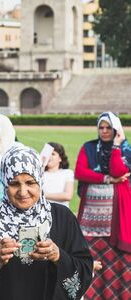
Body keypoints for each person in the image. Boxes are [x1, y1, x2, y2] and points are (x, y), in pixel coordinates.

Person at [0, 145, 93, 300]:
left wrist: (58, 255)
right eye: (14, 184)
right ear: (4, 183)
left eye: (30, 182)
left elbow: (85, 267)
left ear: (40, 180)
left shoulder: (62, 217)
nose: (23, 192)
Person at [75, 112, 131, 299]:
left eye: (109, 127)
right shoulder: (89, 147)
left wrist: (116, 146)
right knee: (90, 257)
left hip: (115, 218)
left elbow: (118, 169)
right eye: (101, 127)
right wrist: (107, 179)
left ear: (116, 129)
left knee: (117, 260)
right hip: (90, 220)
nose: (105, 131)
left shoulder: (125, 150)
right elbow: (80, 172)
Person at [43, 142, 74, 207]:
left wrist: (42, 195)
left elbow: (67, 196)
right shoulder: (40, 173)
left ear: (60, 158)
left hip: (61, 212)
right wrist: (42, 166)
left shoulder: (67, 173)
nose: (49, 156)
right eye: (48, 154)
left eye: (53, 154)